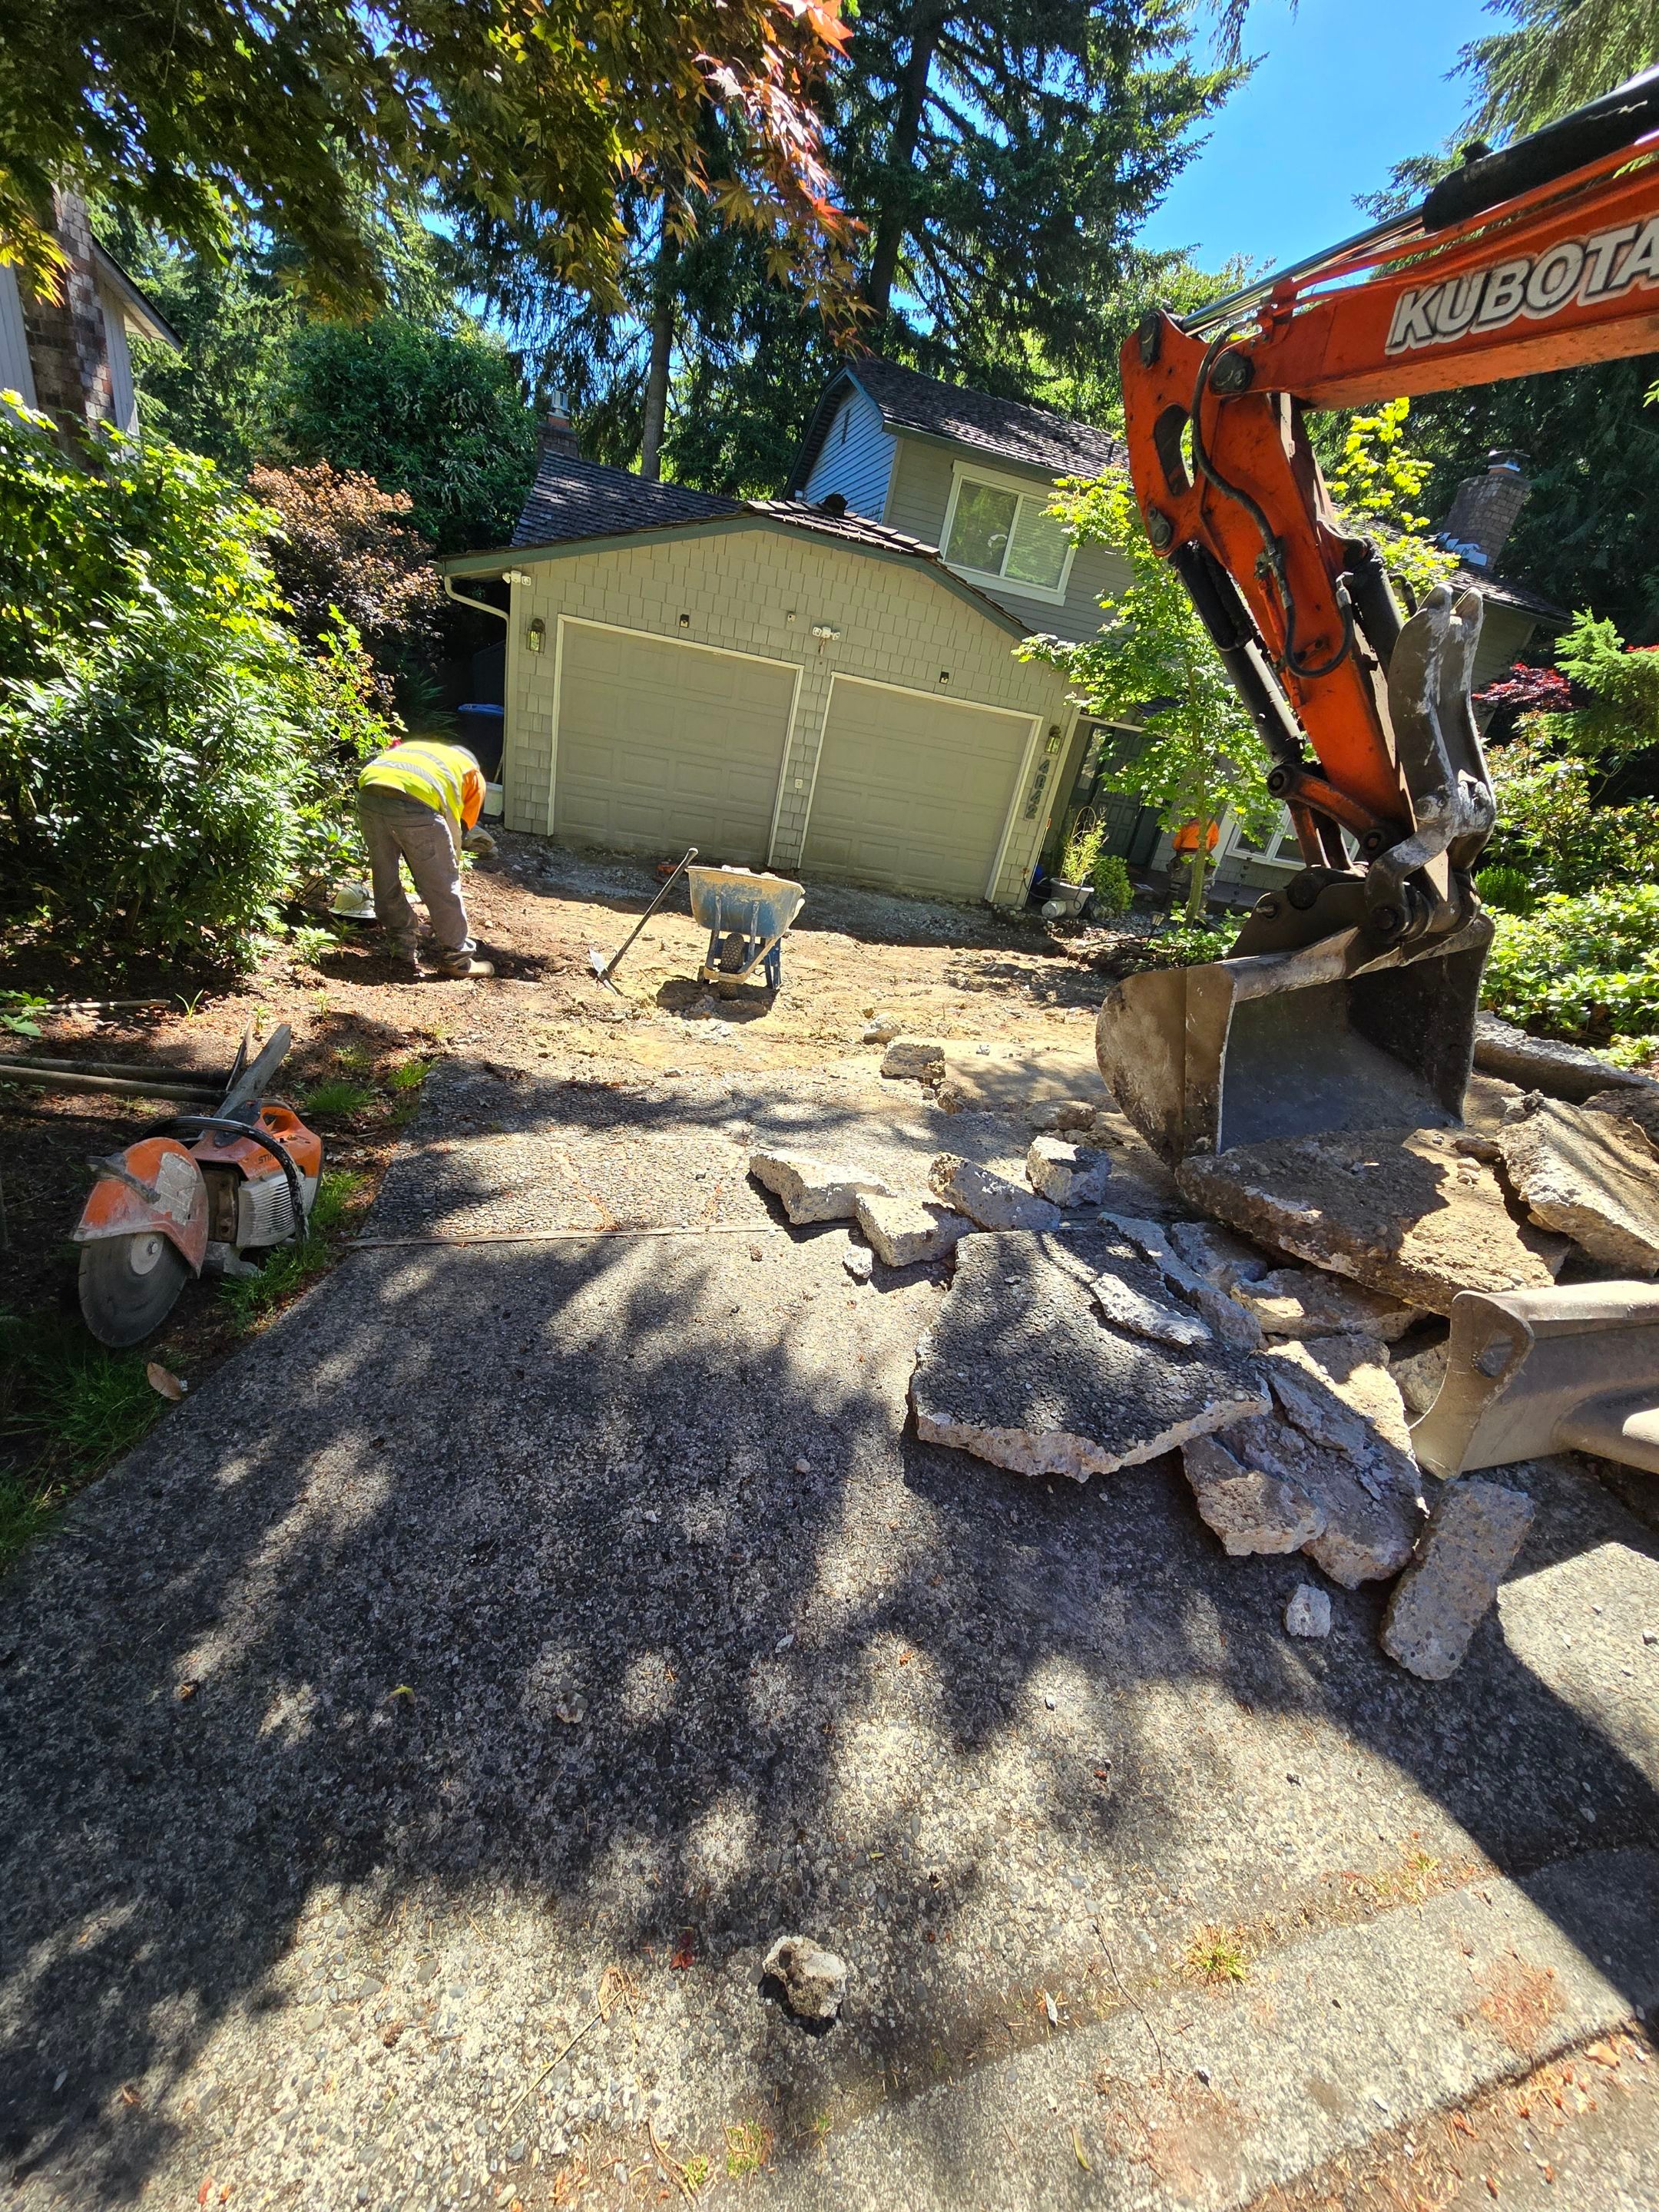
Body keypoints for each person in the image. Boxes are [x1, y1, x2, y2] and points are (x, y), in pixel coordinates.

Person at [356, 739, 495, 979]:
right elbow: (459, 829)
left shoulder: (420, 752)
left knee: (384, 875)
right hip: (416, 803)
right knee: (442, 885)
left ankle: (400, 946)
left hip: (369, 792)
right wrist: (444, 868)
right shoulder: (473, 774)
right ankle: (457, 959)